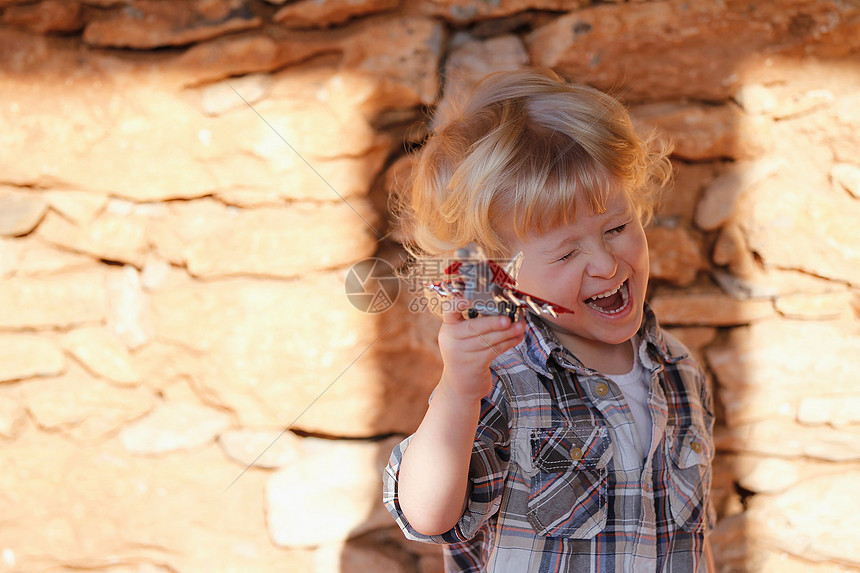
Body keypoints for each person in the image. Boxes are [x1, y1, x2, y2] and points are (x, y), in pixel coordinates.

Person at [383, 68, 715, 572]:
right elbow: (428, 515)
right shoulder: (503, 379)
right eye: (564, 255)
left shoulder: (679, 371)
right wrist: (457, 391)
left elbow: (693, 539)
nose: (605, 264)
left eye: (617, 227)